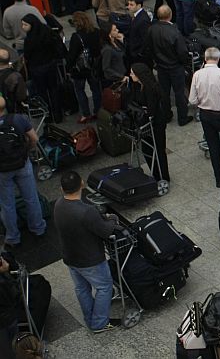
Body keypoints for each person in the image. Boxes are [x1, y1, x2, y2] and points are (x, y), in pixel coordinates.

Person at [53, 170, 118, 333]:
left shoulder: (58, 204)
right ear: (82, 184)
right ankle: (99, 323)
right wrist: (112, 219)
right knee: (104, 287)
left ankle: (89, 318)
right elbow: (105, 231)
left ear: (62, 189)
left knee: (82, 289)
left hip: (70, 257)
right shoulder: (87, 211)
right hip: (90, 259)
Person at [0, 97, 46, 248]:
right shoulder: (18, 119)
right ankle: (38, 228)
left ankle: (13, 237)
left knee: (7, 204)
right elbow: (34, 138)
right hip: (22, 163)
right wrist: (27, 151)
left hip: (2, 170)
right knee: (31, 197)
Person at [145, 5, 192, 126]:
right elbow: (182, 52)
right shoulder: (174, 32)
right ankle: (182, 118)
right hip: (175, 67)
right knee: (179, 93)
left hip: (161, 66)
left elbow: (149, 48)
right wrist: (183, 63)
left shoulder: (151, 29)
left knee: (164, 93)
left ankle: (166, 114)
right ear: (170, 15)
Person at [128, 63, 170, 183]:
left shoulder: (151, 89)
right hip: (148, 124)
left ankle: (162, 176)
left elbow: (152, 110)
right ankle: (156, 174)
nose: (130, 75)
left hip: (156, 124)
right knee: (148, 150)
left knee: (158, 150)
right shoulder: (138, 86)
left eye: (132, 73)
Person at [20, 15, 64, 122]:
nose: (23, 27)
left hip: (37, 69)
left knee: (42, 93)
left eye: (25, 24)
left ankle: (47, 116)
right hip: (50, 65)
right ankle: (58, 115)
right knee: (54, 90)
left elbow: (27, 55)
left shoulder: (29, 39)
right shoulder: (47, 32)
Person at [66, 12, 103, 123]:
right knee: (96, 89)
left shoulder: (76, 37)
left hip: (80, 70)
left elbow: (72, 56)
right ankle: (98, 111)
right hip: (94, 66)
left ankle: (86, 114)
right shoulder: (96, 32)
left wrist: (68, 68)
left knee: (80, 90)